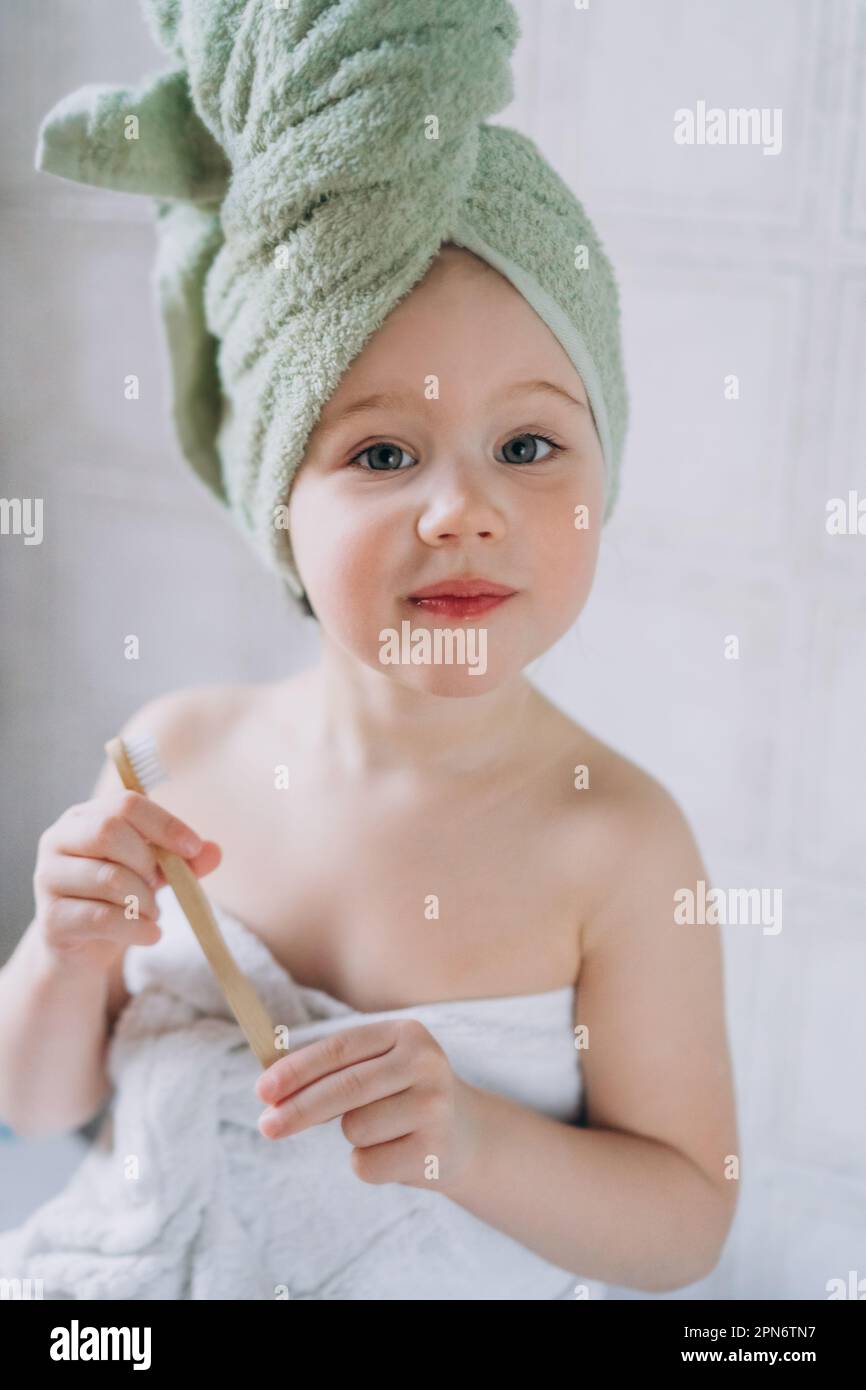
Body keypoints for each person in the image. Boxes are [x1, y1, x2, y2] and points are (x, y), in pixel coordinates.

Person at [0, 0, 738, 1299]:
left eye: (528, 445)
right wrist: (60, 956)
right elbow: (45, 1111)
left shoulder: (616, 843)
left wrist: (468, 1138)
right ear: (273, 496)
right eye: (382, 452)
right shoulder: (175, 751)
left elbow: (685, 1221)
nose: (461, 508)